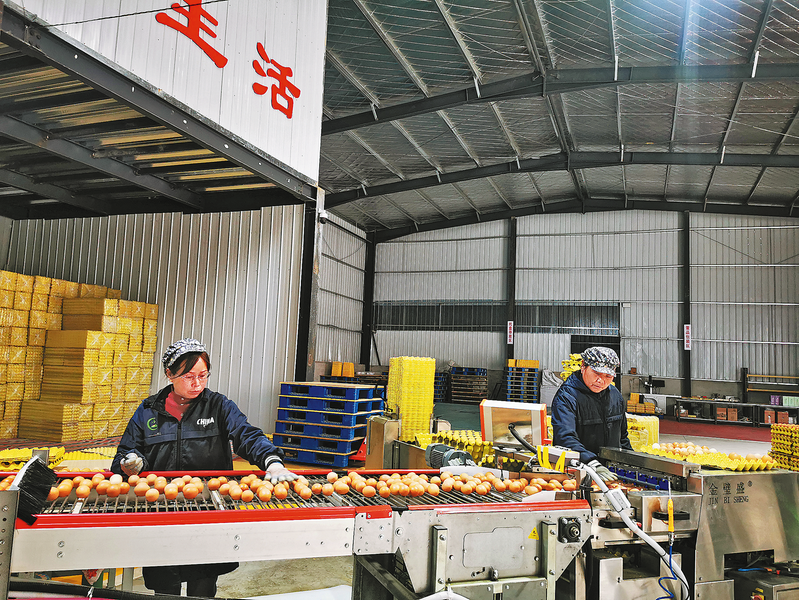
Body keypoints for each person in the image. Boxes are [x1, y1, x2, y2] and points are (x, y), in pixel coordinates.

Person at [111, 338, 295, 597]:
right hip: (162, 510)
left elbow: (246, 434)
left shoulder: (218, 406)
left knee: (203, 583)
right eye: (188, 376)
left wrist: (272, 461)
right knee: (165, 585)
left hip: (207, 509)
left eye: (203, 375)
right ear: (169, 374)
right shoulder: (148, 411)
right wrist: (130, 463)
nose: (197, 383)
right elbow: (123, 454)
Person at [550, 346, 632, 482]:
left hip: (612, 474)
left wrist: (631, 461)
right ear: (583, 366)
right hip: (579, 473)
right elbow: (564, 438)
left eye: (608, 376)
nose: (601, 381)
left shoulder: (615, 395)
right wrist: (592, 463)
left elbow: (622, 437)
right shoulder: (567, 397)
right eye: (596, 373)